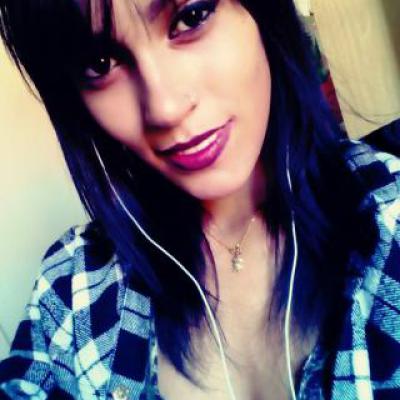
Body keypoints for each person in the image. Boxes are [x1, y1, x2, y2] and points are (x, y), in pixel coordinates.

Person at [0, 0, 399, 399]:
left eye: (191, 17)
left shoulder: (388, 216)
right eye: (100, 63)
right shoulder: (72, 289)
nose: (165, 109)